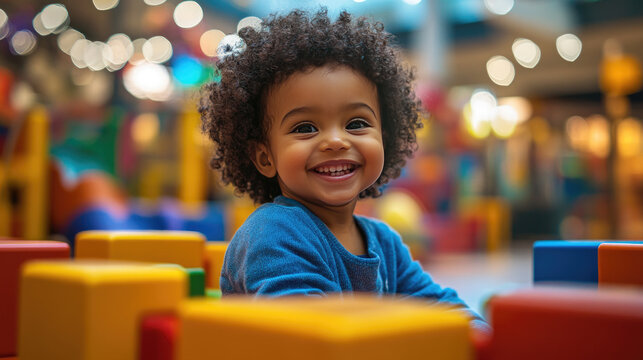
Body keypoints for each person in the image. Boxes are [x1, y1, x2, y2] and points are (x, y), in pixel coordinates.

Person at [200, 8, 489, 332]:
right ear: (265, 157)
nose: (336, 140)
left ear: (386, 137)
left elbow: (438, 305)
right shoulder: (273, 233)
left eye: (356, 123)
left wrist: (478, 334)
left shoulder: (384, 241)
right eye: (306, 127)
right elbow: (310, 335)